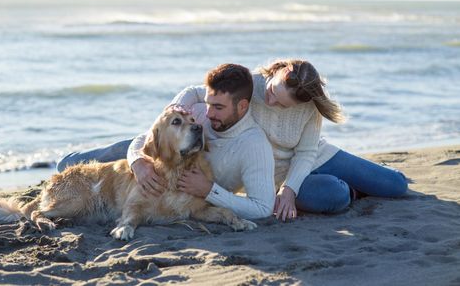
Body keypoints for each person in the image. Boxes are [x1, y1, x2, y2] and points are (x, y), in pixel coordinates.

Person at [167, 59, 408, 221]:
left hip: (316, 158)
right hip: (277, 173)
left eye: (282, 104)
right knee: (336, 195)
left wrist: (289, 191)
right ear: (273, 74)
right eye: (272, 93)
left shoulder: (309, 108)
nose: (270, 102)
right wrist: (175, 108)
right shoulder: (251, 84)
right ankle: (354, 189)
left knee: (396, 186)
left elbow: (306, 153)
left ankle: (368, 174)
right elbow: (197, 92)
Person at [57, 64, 276, 220]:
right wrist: (138, 163)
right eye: (208, 103)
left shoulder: (255, 146)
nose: (207, 115)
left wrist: (209, 191)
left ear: (242, 107)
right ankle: (65, 161)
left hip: (174, 163)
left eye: (218, 108)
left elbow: (263, 209)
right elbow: (148, 137)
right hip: (147, 151)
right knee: (79, 164)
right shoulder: (200, 114)